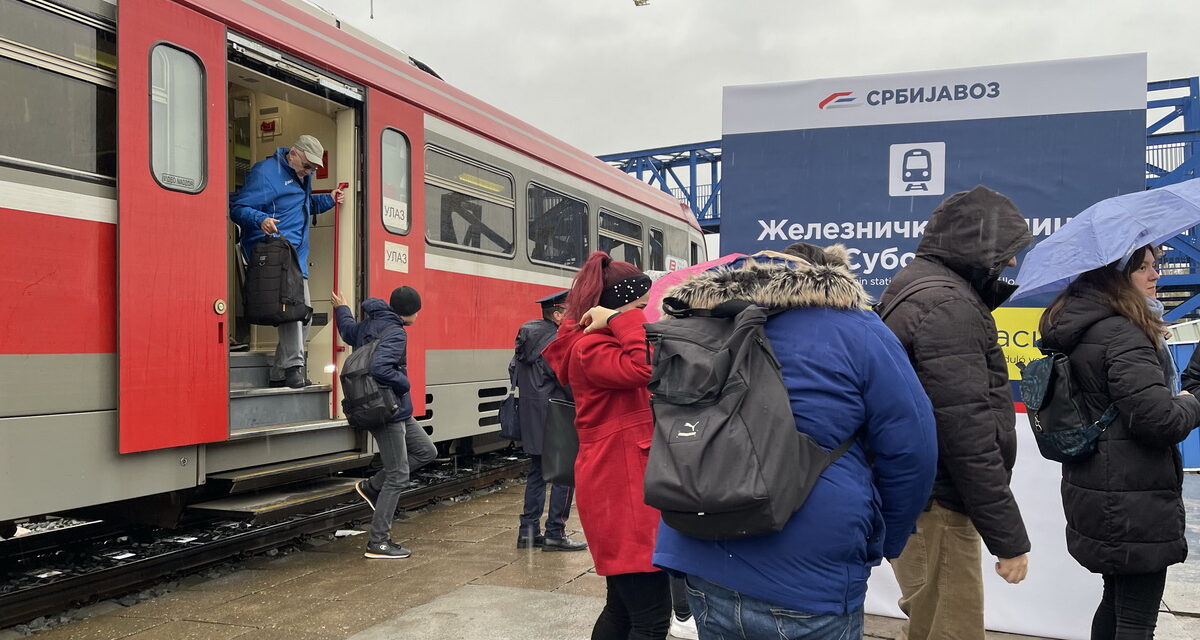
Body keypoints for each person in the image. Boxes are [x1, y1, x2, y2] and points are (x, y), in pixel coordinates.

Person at [652, 246, 938, 640]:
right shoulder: (857, 329)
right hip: (810, 569)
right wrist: (884, 540)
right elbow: (913, 451)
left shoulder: (692, 323)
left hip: (699, 549)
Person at [877, 185, 1033, 640]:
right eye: (1005, 250)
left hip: (921, 503)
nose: (1010, 263)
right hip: (939, 507)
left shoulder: (919, 288)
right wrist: (1008, 540)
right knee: (951, 630)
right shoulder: (950, 306)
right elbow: (966, 435)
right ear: (974, 244)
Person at [1040, 245, 1200, 639]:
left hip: (1101, 490)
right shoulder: (1123, 333)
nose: (1154, 274)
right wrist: (1191, 402)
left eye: (1155, 265)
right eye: (1142, 267)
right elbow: (1158, 420)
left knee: (1116, 602)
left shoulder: (1082, 326)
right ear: (1114, 276)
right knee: (1136, 619)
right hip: (1133, 497)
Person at [541, 251, 669, 640]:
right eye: (639, 307)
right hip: (623, 482)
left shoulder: (592, 343)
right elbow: (644, 367)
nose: (645, 315)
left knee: (623, 607)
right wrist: (620, 320)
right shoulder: (590, 347)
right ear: (616, 305)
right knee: (650, 617)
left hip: (620, 476)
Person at [231, 135, 345, 388]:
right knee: (295, 310)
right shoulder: (265, 173)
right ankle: (294, 367)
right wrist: (260, 219)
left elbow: (301, 206)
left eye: (314, 168)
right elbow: (237, 207)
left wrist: (328, 199)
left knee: (300, 313)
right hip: (273, 252)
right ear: (293, 153)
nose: (309, 172)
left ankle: (279, 373)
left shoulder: (302, 175)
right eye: (307, 166)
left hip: (295, 256)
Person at [332, 287, 437, 559]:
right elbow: (381, 368)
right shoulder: (396, 332)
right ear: (411, 311)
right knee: (398, 474)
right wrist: (405, 383)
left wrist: (342, 309)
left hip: (394, 409)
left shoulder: (372, 323)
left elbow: (348, 332)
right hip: (386, 409)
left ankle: (371, 487)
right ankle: (378, 542)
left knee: (426, 451)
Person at [511, 290, 588, 552]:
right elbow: (566, 379)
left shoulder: (526, 337)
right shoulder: (555, 340)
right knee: (564, 475)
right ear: (557, 314)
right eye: (569, 311)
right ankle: (555, 532)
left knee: (536, 475)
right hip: (557, 415)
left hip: (532, 416)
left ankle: (528, 532)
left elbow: (514, 372)